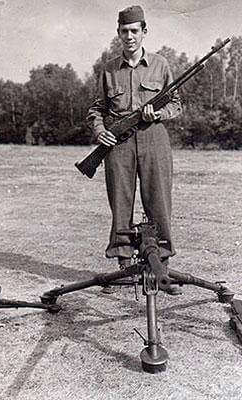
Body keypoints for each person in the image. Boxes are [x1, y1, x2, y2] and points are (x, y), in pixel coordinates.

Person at [86, 5, 182, 294]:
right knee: (121, 203)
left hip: (154, 140)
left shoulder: (161, 65)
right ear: (118, 33)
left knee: (159, 202)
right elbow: (96, 109)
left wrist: (160, 115)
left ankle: (161, 266)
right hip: (119, 144)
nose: (129, 36)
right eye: (124, 31)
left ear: (144, 32)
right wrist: (101, 131)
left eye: (134, 31)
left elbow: (176, 104)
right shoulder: (108, 69)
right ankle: (125, 266)